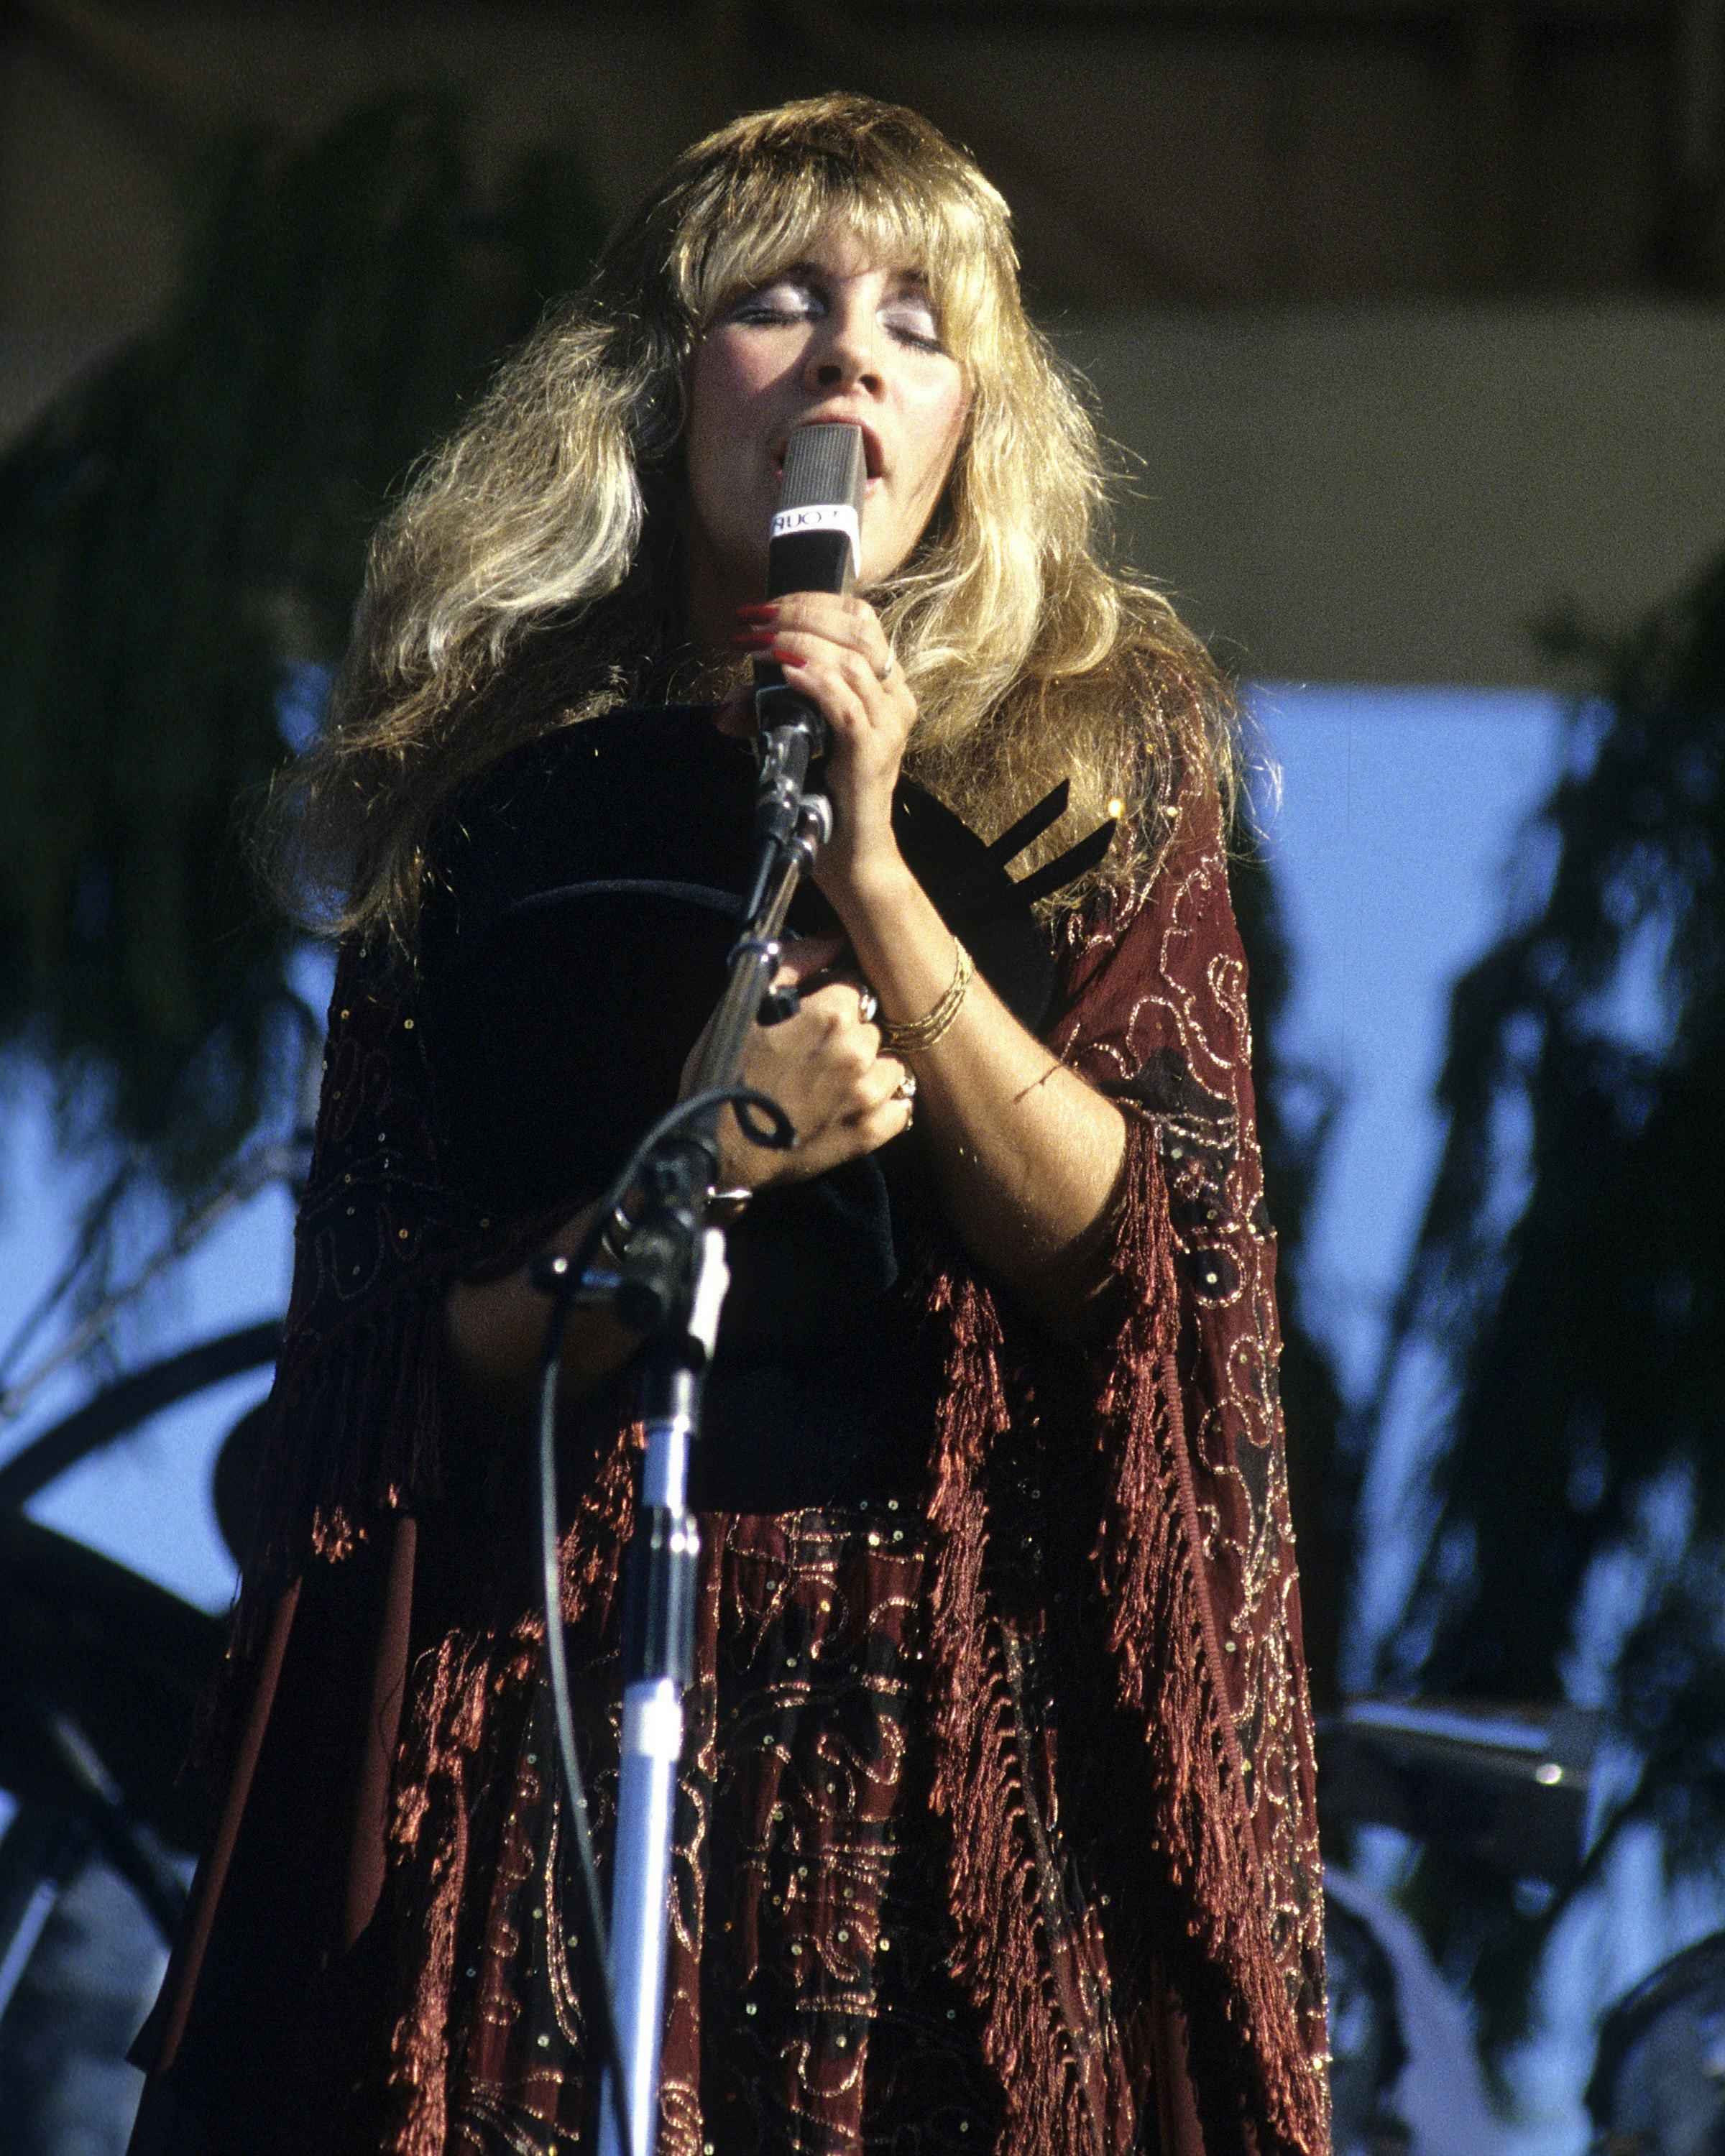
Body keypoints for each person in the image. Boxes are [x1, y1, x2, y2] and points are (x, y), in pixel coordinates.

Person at [127, 95, 1330, 2156]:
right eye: (780, 301)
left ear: (976, 418)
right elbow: (381, 1369)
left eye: (918, 321)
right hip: (571, 1723)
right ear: (666, 391)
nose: (854, 356)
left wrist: (870, 862)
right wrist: (700, 1165)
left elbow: (1152, 1260)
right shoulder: (487, 803)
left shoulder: (1110, 747)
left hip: (957, 1739)